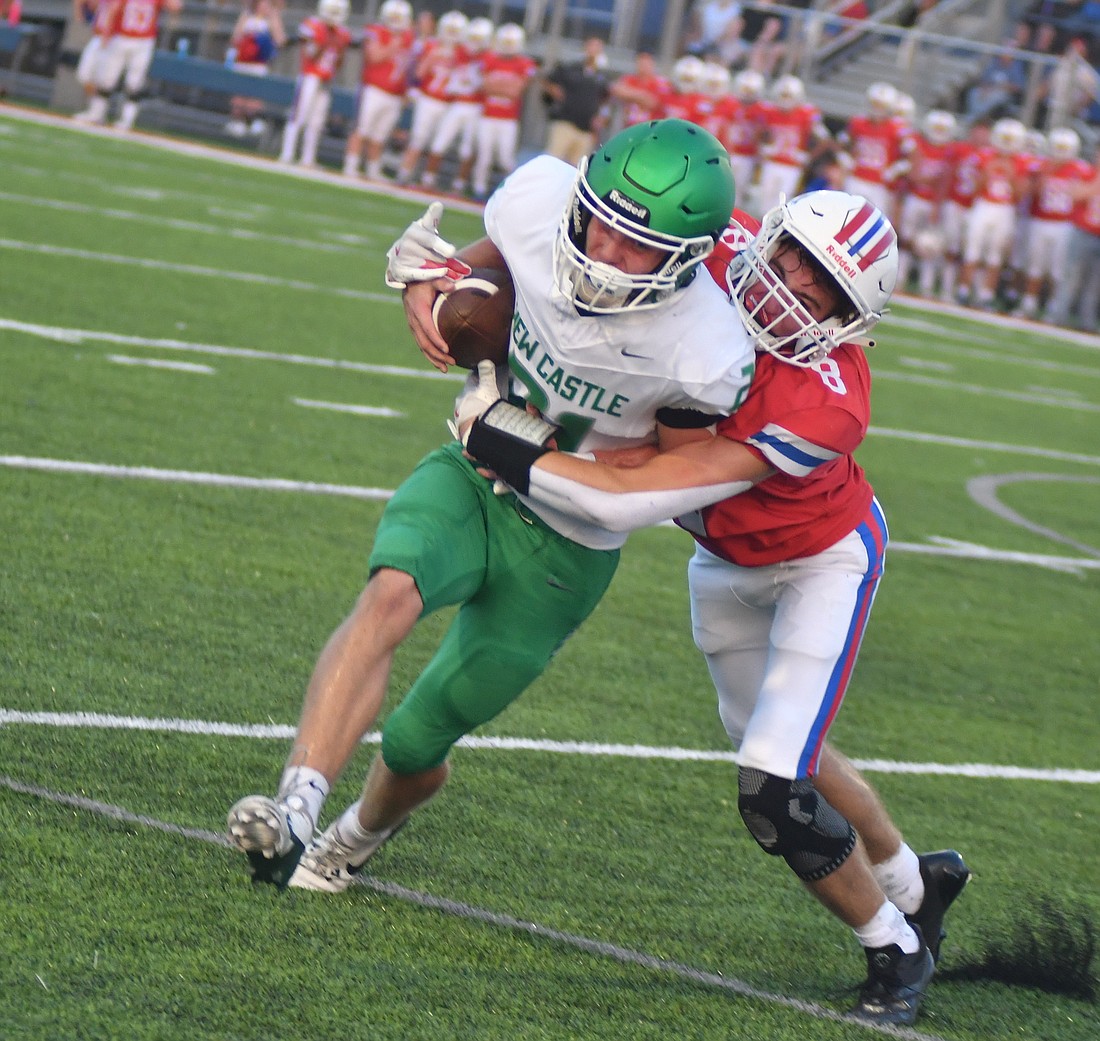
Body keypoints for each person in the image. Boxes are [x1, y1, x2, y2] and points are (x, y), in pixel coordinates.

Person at [460, 189, 972, 1028]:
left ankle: (894, 944)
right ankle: (919, 882)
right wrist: (451, 274)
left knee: (773, 783)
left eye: (824, 288)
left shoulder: (826, 401)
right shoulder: (715, 245)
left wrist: (505, 442)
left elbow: (636, 492)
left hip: (818, 563)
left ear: (849, 320)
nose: (793, 284)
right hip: (722, 557)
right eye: (796, 255)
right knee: (777, 742)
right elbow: (555, 222)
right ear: (768, 233)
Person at [226, 120, 756, 904]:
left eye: (636, 245)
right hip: (470, 473)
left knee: (418, 738)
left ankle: (354, 839)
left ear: (685, 260)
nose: (605, 250)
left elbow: (674, 464)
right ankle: (297, 803)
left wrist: (548, 455)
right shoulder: (540, 207)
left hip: (568, 545)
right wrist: (425, 284)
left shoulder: (703, 346)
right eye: (601, 222)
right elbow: (480, 272)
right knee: (389, 594)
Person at [78, 0, 182, 130]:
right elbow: (113, 9)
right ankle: (97, 114)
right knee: (107, 79)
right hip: (121, 37)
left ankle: (127, 120)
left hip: (144, 41)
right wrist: (107, 33)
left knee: (134, 82)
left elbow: (175, 6)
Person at [341, 0, 415, 179]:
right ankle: (351, 166)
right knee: (362, 130)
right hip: (373, 89)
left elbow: (407, 68)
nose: (396, 21)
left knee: (380, 136)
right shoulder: (375, 31)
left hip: (395, 94)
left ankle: (373, 170)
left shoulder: (409, 37)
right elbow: (373, 56)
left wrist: (406, 91)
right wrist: (392, 46)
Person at [278, 0, 353, 167]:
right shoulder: (314, 25)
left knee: (317, 121)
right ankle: (287, 154)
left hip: (326, 79)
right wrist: (325, 37)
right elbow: (310, 53)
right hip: (310, 76)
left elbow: (339, 61)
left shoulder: (343, 33)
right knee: (299, 115)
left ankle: (308, 158)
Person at [470, 23, 537, 201]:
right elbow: (485, 86)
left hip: (508, 119)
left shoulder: (524, 63)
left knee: (506, 159)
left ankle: (509, 193)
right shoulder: (490, 59)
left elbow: (516, 91)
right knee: (484, 155)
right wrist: (504, 87)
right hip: (488, 116)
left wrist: (497, 86)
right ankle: (479, 188)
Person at [541, 36, 611, 167]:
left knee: (577, 168)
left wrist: (600, 121)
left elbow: (604, 101)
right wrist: (555, 93)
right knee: (551, 162)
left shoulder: (601, 77)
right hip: (566, 122)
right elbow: (549, 81)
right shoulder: (570, 69)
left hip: (586, 129)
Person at [224, 0, 287, 139]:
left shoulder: (271, 19)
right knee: (240, 93)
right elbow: (235, 37)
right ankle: (237, 121)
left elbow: (281, 40)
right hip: (242, 61)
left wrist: (273, 18)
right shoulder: (247, 15)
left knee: (254, 96)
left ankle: (251, 121)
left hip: (259, 64)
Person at [72, 0, 119, 123]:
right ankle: (96, 111)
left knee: (103, 79)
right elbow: (93, 6)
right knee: (84, 75)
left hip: (113, 39)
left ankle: (97, 113)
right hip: (97, 36)